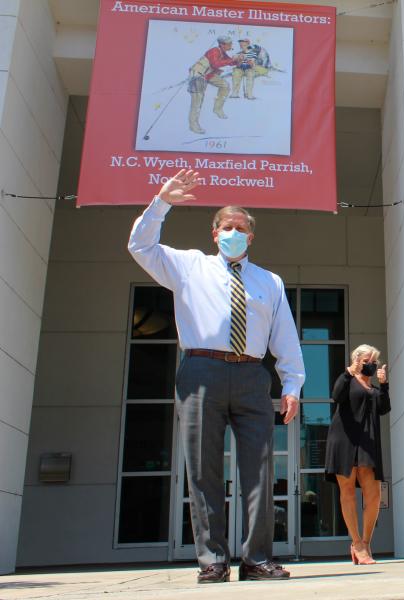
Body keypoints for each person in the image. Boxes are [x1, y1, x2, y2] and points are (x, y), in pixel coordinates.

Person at [127, 169, 304, 583]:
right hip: (201, 371)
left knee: (259, 469)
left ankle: (258, 559)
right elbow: (140, 245)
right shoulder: (188, 266)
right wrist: (162, 201)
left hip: (251, 375)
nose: (234, 233)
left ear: (251, 237)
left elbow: (286, 337)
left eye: (241, 228)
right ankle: (212, 560)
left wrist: (292, 384)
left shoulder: (269, 281)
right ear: (214, 232)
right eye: (228, 227)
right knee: (203, 470)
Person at [325, 345, 390, 565]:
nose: (371, 363)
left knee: (373, 494)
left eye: (374, 360)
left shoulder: (372, 386)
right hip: (344, 440)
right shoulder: (348, 378)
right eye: (367, 360)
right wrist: (348, 372)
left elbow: (383, 408)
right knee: (348, 491)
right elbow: (336, 396)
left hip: (367, 442)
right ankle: (357, 543)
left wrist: (384, 385)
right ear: (356, 360)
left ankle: (366, 541)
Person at [188, 35, 239, 134]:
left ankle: (217, 109)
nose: (231, 45)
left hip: (208, 74)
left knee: (225, 86)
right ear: (222, 45)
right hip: (198, 75)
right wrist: (233, 59)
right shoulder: (214, 51)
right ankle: (193, 125)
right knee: (197, 101)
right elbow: (216, 64)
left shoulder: (222, 52)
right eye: (229, 44)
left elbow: (230, 62)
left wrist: (238, 60)